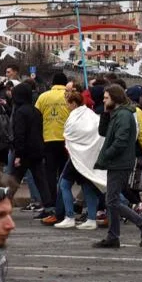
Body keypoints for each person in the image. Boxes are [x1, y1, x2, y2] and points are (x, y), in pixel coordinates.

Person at [92, 85, 142, 249]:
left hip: (120, 162)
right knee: (111, 200)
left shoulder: (124, 115)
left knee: (112, 201)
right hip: (117, 162)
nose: (103, 101)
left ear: (115, 98)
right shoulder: (116, 113)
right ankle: (113, 236)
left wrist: (106, 155)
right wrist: (105, 113)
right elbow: (103, 132)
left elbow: (121, 141)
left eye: (106, 98)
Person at [62, 90, 107, 230]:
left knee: (64, 185)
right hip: (88, 157)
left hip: (76, 157)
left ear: (73, 104)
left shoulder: (75, 117)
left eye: (68, 103)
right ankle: (91, 218)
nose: (66, 106)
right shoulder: (91, 114)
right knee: (87, 187)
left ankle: (69, 217)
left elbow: (69, 133)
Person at [8, 83, 52, 221]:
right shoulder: (36, 111)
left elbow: (19, 134)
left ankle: (3, 204)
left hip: (24, 152)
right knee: (41, 180)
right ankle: (48, 207)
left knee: (14, 180)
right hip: (37, 150)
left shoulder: (20, 112)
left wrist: (18, 154)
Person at [34, 73, 71, 220]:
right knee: (64, 175)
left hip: (48, 138)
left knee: (49, 174)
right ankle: (63, 205)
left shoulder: (43, 97)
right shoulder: (69, 96)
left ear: (53, 83)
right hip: (66, 140)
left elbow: (37, 117)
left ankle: (51, 205)